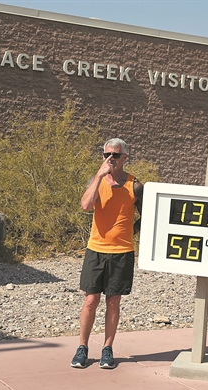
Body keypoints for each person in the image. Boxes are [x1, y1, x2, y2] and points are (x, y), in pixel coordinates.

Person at [71, 138, 143, 369]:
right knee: (91, 300)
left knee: (113, 302)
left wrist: (131, 231)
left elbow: (149, 215)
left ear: (125, 158)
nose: (110, 159)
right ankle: (82, 347)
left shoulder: (135, 185)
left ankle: (107, 348)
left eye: (115, 155)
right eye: (106, 155)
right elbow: (85, 206)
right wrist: (100, 176)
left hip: (122, 252)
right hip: (96, 250)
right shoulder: (97, 180)